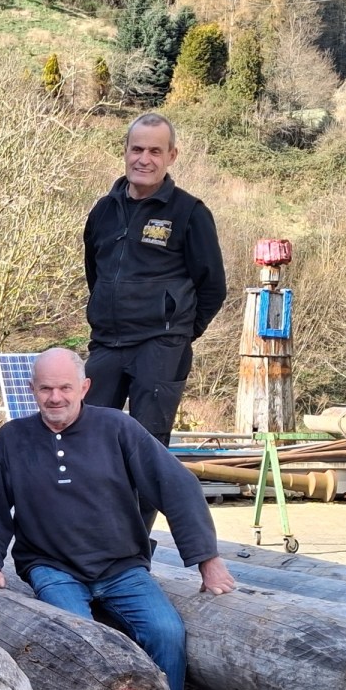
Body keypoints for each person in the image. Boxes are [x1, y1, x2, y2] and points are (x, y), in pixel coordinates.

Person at [0, 347, 236, 690]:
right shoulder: (12, 439)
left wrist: (207, 560)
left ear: (84, 388)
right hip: (53, 567)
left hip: (121, 566)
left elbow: (178, 486)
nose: (55, 397)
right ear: (32, 390)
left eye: (64, 388)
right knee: (81, 643)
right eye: (45, 388)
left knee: (166, 632)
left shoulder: (119, 428)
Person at [83, 112, 226, 449]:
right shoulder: (103, 210)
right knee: (87, 437)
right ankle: (98, 505)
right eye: (137, 149)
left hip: (159, 346)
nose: (143, 159)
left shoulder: (190, 212)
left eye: (155, 151)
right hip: (107, 343)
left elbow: (213, 286)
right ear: (126, 151)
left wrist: (178, 331)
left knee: (146, 446)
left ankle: (140, 506)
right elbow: (97, 274)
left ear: (171, 156)